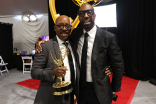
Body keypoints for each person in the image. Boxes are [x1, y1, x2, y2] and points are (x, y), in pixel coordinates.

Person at [35, 3, 122, 104]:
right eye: (82, 14)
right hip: (80, 89)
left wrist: (113, 89)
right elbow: (61, 38)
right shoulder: (76, 33)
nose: (85, 16)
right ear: (79, 17)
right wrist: (42, 42)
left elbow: (118, 65)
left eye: (89, 13)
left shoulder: (109, 37)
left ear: (94, 15)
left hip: (100, 89)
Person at [31, 15, 80, 104]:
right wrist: (52, 72)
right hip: (51, 97)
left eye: (67, 26)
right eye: (60, 25)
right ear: (55, 28)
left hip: (70, 96)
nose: (64, 28)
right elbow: (34, 72)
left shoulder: (74, 45)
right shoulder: (45, 46)